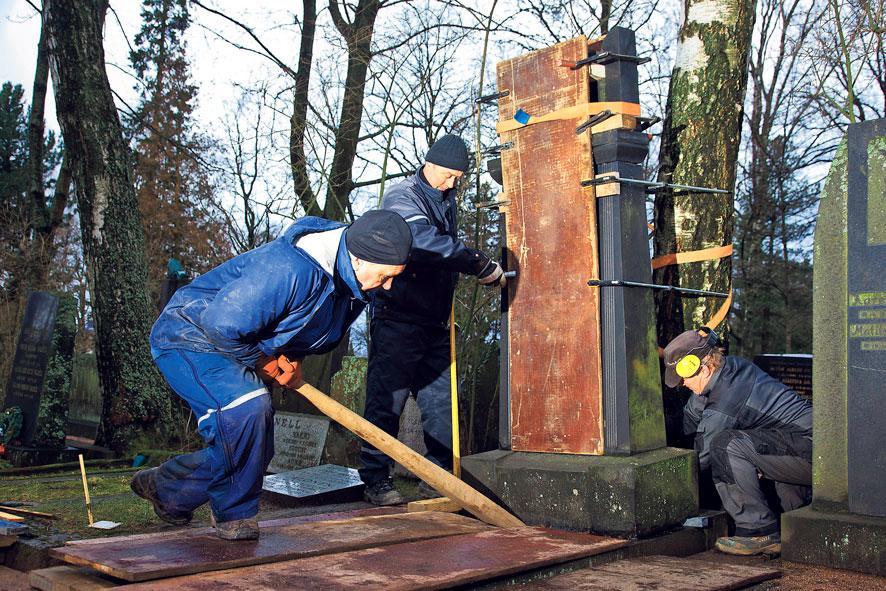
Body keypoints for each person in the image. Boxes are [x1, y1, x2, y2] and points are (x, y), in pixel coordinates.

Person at [131, 211, 412, 540]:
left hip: (238, 340)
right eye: (387, 275)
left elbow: (302, 326)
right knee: (246, 409)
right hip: (191, 335)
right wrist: (262, 360)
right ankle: (233, 517)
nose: (390, 285)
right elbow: (222, 324)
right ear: (360, 258)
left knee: (252, 448)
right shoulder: (289, 268)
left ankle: (167, 490)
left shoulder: (354, 283)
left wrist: (291, 359)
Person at [359, 134, 504, 505]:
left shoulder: (446, 199)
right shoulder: (402, 197)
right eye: (448, 175)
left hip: (435, 325)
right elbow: (421, 241)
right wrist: (477, 262)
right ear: (430, 163)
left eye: (458, 177)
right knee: (386, 402)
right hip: (397, 319)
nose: (452, 183)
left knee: (442, 407)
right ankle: (376, 480)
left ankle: (438, 480)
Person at [663, 328, 813, 556]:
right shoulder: (724, 372)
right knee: (747, 448)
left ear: (703, 367)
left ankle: (758, 530)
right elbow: (689, 421)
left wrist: (664, 486)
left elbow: (702, 458)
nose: (682, 384)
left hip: (815, 453)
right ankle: (797, 532)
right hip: (794, 447)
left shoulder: (727, 396)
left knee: (726, 446)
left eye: (684, 377)